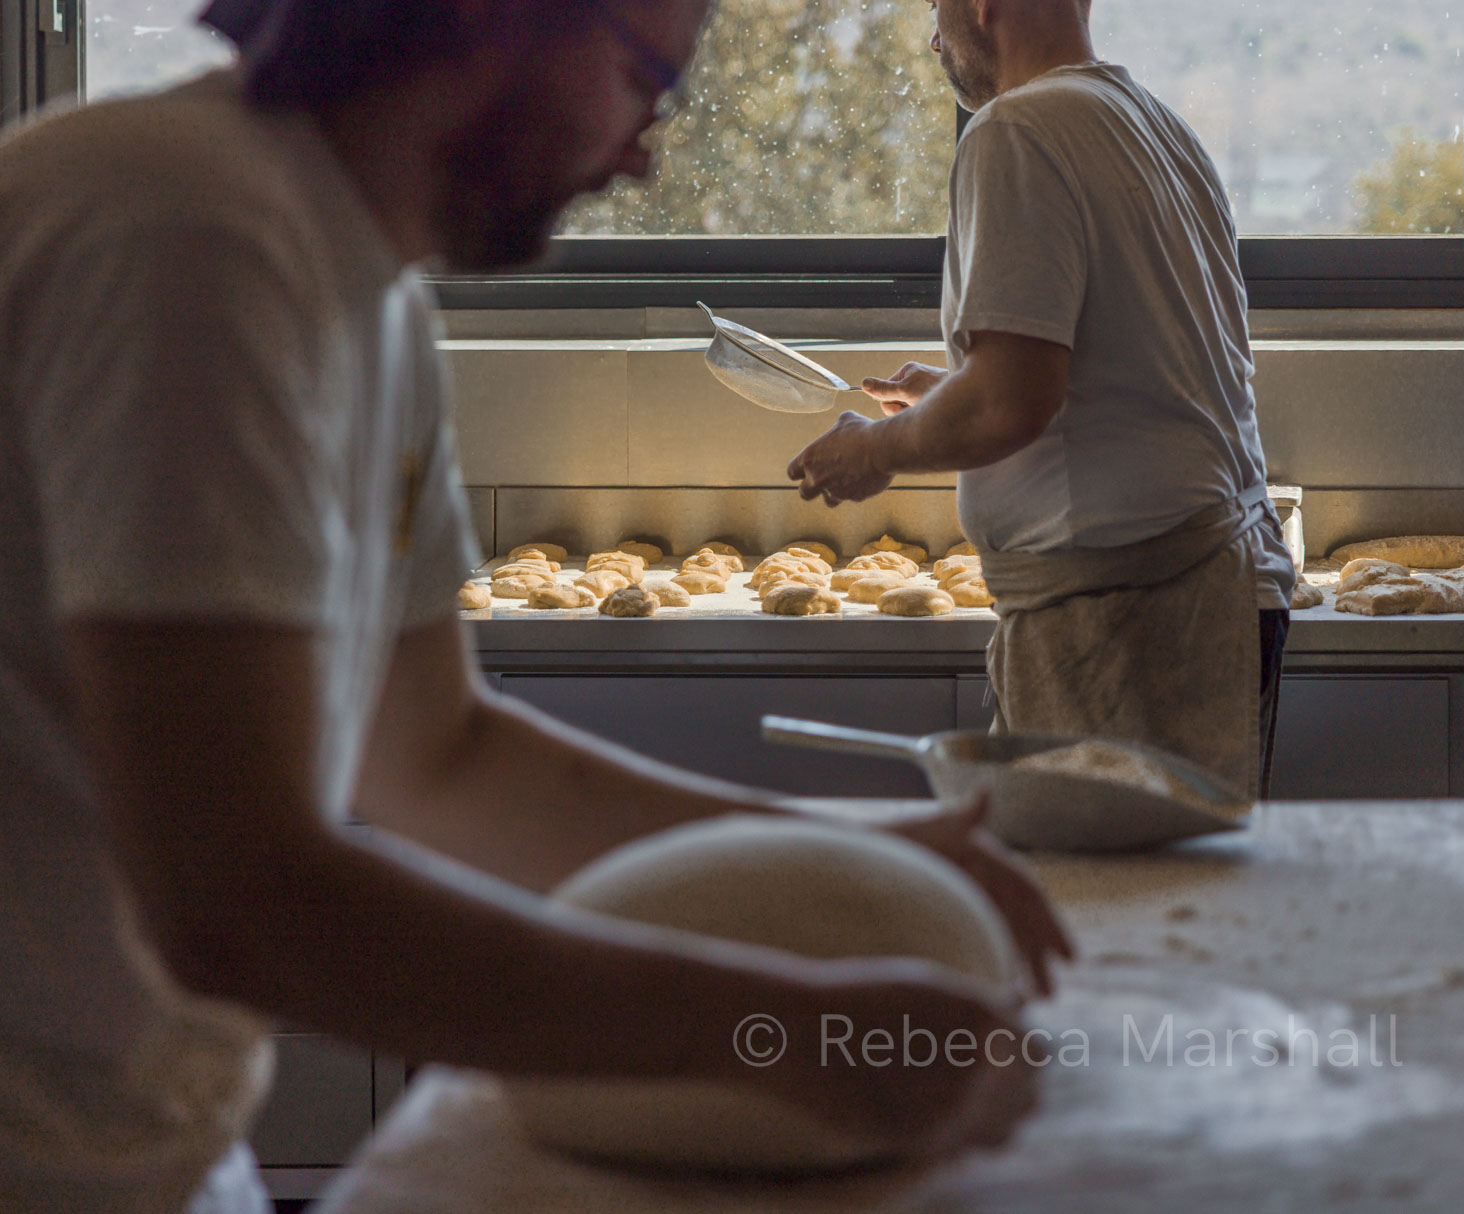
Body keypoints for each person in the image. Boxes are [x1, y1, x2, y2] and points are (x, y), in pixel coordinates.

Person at [0, 1, 1074, 1210]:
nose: (642, 152)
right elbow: (239, 898)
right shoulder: (183, 231)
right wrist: (782, 1031)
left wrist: (849, 855)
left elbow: (439, 754)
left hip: (149, 1150)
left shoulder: (371, 292)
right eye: (641, 82)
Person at [787, 0, 1295, 802]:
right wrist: (951, 394)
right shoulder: (1156, 127)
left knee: (1105, 906)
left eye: (934, 6)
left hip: (1128, 615)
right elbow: (1124, 376)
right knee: (1165, 899)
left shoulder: (1015, 131)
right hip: (1221, 592)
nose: (930, 36)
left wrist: (873, 451)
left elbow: (1009, 405)